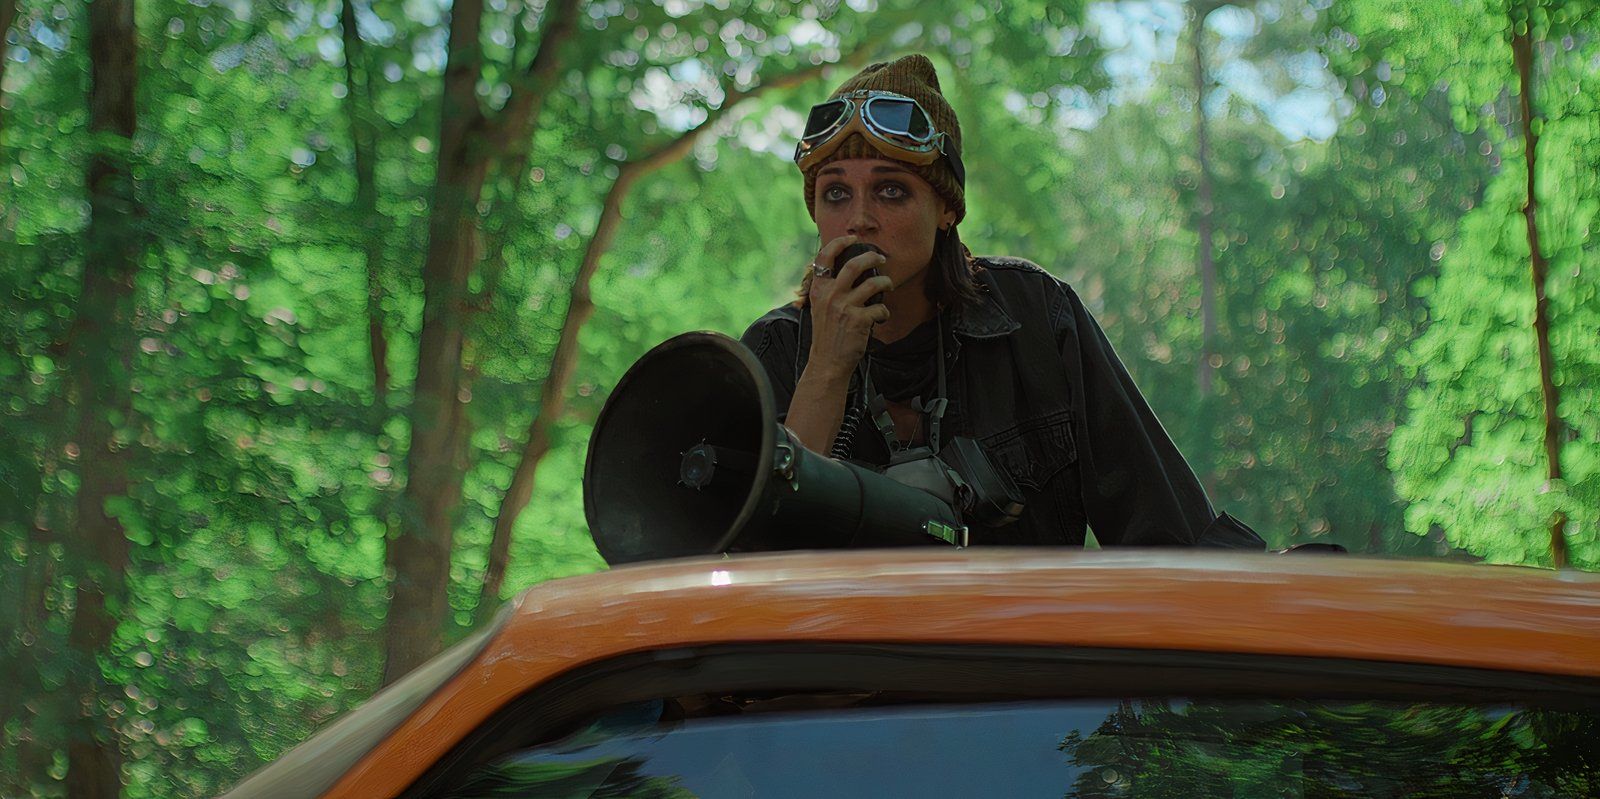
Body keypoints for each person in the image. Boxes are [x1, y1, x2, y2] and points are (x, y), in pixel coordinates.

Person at [740, 54, 1261, 548]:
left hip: (1020, 640)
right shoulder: (776, 348)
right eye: (835, 193)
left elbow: (1168, 533)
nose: (859, 219)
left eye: (891, 190)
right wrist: (828, 368)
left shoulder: (1033, 317)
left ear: (946, 208)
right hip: (845, 643)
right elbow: (757, 567)